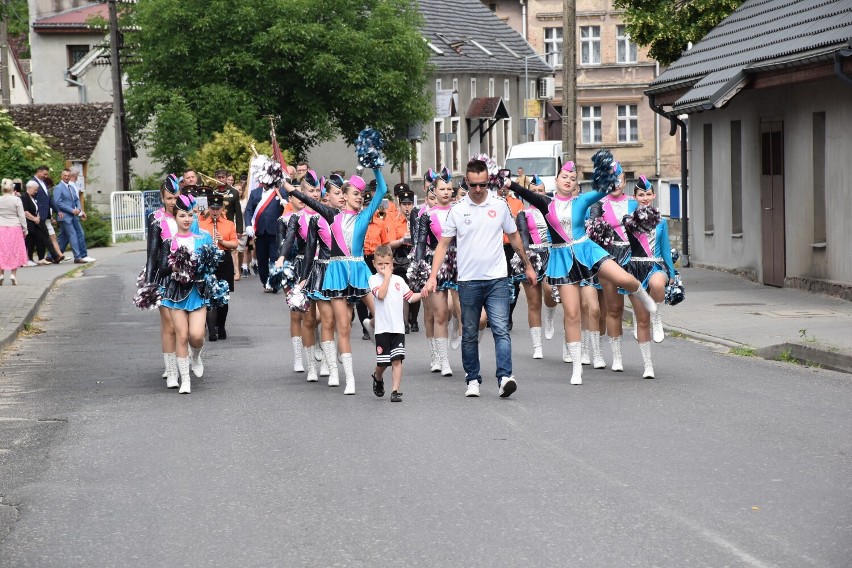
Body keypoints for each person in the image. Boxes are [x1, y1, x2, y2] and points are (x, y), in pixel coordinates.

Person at [508, 153, 657, 386]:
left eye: (573, 178)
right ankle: (577, 367)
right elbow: (526, 193)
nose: (568, 180)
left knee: (624, 278)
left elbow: (604, 190)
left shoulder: (582, 201)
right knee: (572, 313)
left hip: (587, 250)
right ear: (556, 180)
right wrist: (509, 183)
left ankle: (641, 293)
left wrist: (611, 173)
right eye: (564, 176)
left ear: (577, 183)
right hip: (562, 258)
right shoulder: (546, 203)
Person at [424, 159, 536, 398]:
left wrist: (527, 266)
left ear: (488, 182)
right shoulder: (457, 209)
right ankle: (472, 379)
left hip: (497, 278)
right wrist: (433, 276)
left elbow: (514, 237)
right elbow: (442, 246)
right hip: (468, 281)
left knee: (501, 329)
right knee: (471, 332)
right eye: (473, 185)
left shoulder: (499, 205)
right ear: (466, 182)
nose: (477, 189)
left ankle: (505, 377)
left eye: (482, 184)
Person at [284, 168, 387, 395]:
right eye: (355, 193)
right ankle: (348, 378)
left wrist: (377, 168)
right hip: (338, 271)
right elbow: (308, 201)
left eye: (362, 194)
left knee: (382, 315)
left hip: (359, 269)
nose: (360, 197)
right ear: (345, 195)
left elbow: (383, 190)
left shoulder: (365, 215)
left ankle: (370, 325)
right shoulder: (333, 216)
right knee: (343, 326)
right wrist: (291, 188)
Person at [159, 194, 217, 394]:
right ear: (175, 217)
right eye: (182, 215)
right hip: (175, 292)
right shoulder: (169, 241)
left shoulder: (204, 238)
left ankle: (196, 356)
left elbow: (213, 265)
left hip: (197, 292)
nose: (186, 219)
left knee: (197, 335)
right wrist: (175, 267)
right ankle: (185, 380)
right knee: (181, 336)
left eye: (190, 215)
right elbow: (162, 268)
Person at [625, 176, 677, 378]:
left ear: (654, 195)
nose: (645, 198)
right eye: (641, 194)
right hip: (635, 268)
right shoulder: (628, 219)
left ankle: (658, 316)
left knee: (658, 284)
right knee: (641, 320)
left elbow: (664, 248)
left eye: (648, 194)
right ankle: (648, 365)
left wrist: (671, 273)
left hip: (655, 264)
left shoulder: (662, 221)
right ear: (635, 196)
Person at [587, 162, 636, 372]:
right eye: (612, 180)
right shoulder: (599, 204)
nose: (616, 184)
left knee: (639, 300)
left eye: (620, 180)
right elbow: (592, 230)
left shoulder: (634, 203)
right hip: (609, 256)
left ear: (625, 182)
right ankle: (615, 356)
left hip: (632, 256)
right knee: (612, 307)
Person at [413, 167, 458, 376]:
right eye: (443, 189)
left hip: (459, 263)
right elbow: (421, 244)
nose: (447, 192)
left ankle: (458, 335)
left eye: (450, 188)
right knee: (438, 313)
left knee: (460, 312)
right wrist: (420, 269)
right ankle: (442, 359)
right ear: (434, 190)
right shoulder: (426, 216)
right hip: (436, 265)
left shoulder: (460, 210)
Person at [369, 245, 423, 402]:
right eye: (380, 264)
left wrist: (424, 292)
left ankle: (395, 391)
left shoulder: (399, 280)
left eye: (387, 264)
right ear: (374, 264)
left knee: (397, 359)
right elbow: (381, 295)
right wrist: (386, 277)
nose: (383, 267)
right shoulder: (373, 280)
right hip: (382, 329)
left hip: (397, 328)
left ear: (392, 263)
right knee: (384, 362)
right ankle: (378, 376)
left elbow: (410, 297)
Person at [515, 175, 557, 359]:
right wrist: (525, 261)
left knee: (550, 290)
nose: (538, 194)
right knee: (533, 302)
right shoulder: (523, 214)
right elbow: (523, 237)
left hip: (552, 254)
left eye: (541, 191)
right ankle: (537, 345)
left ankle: (549, 316)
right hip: (533, 255)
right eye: (534, 192)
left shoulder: (551, 209)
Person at [198, 193, 238, 341]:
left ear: (222, 208)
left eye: (217, 208)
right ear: (208, 208)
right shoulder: (201, 224)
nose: (215, 211)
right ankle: (211, 329)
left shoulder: (229, 224)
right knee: (208, 295)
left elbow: (234, 244)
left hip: (224, 260)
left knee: (223, 296)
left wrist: (223, 241)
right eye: (212, 208)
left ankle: (221, 326)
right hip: (208, 261)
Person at [244, 162, 287, 290]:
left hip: (276, 231)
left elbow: (288, 210)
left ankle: (274, 283)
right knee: (262, 259)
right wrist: (248, 225)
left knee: (274, 258)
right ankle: (265, 281)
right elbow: (248, 211)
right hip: (260, 232)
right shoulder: (255, 193)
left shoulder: (281, 191)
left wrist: (285, 204)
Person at [53, 169, 95, 264]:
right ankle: (77, 257)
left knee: (63, 238)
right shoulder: (58, 188)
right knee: (73, 235)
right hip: (65, 216)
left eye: (68, 175)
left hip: (73, 215)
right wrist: (71, 210)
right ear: (61, 176)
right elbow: (57, 202)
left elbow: (76, 199)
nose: (67, 177)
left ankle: (51, 256)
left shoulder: (71, 187)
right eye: (65, 175)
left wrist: (79, 209)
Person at [29, 166, 63, 264]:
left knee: (44, 237)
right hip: (38, 215)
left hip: (45, 214)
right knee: (45, 236)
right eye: (44, 174)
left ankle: (45, 258)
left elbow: (49, 200)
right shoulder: (32, 183)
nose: (46, 176)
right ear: (38, 172)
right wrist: (36, 214)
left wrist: (57, 211)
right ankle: (54, 256)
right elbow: (32, 199)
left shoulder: (43, 183)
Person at [0, 178, 28, 285]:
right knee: (14, 251)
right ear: (12, 188)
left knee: (1, 251)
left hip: (1, 227)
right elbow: (21, 216)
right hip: (14, 227)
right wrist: (25, 229)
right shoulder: (16, 200)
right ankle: (13, 274)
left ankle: (1, 274)